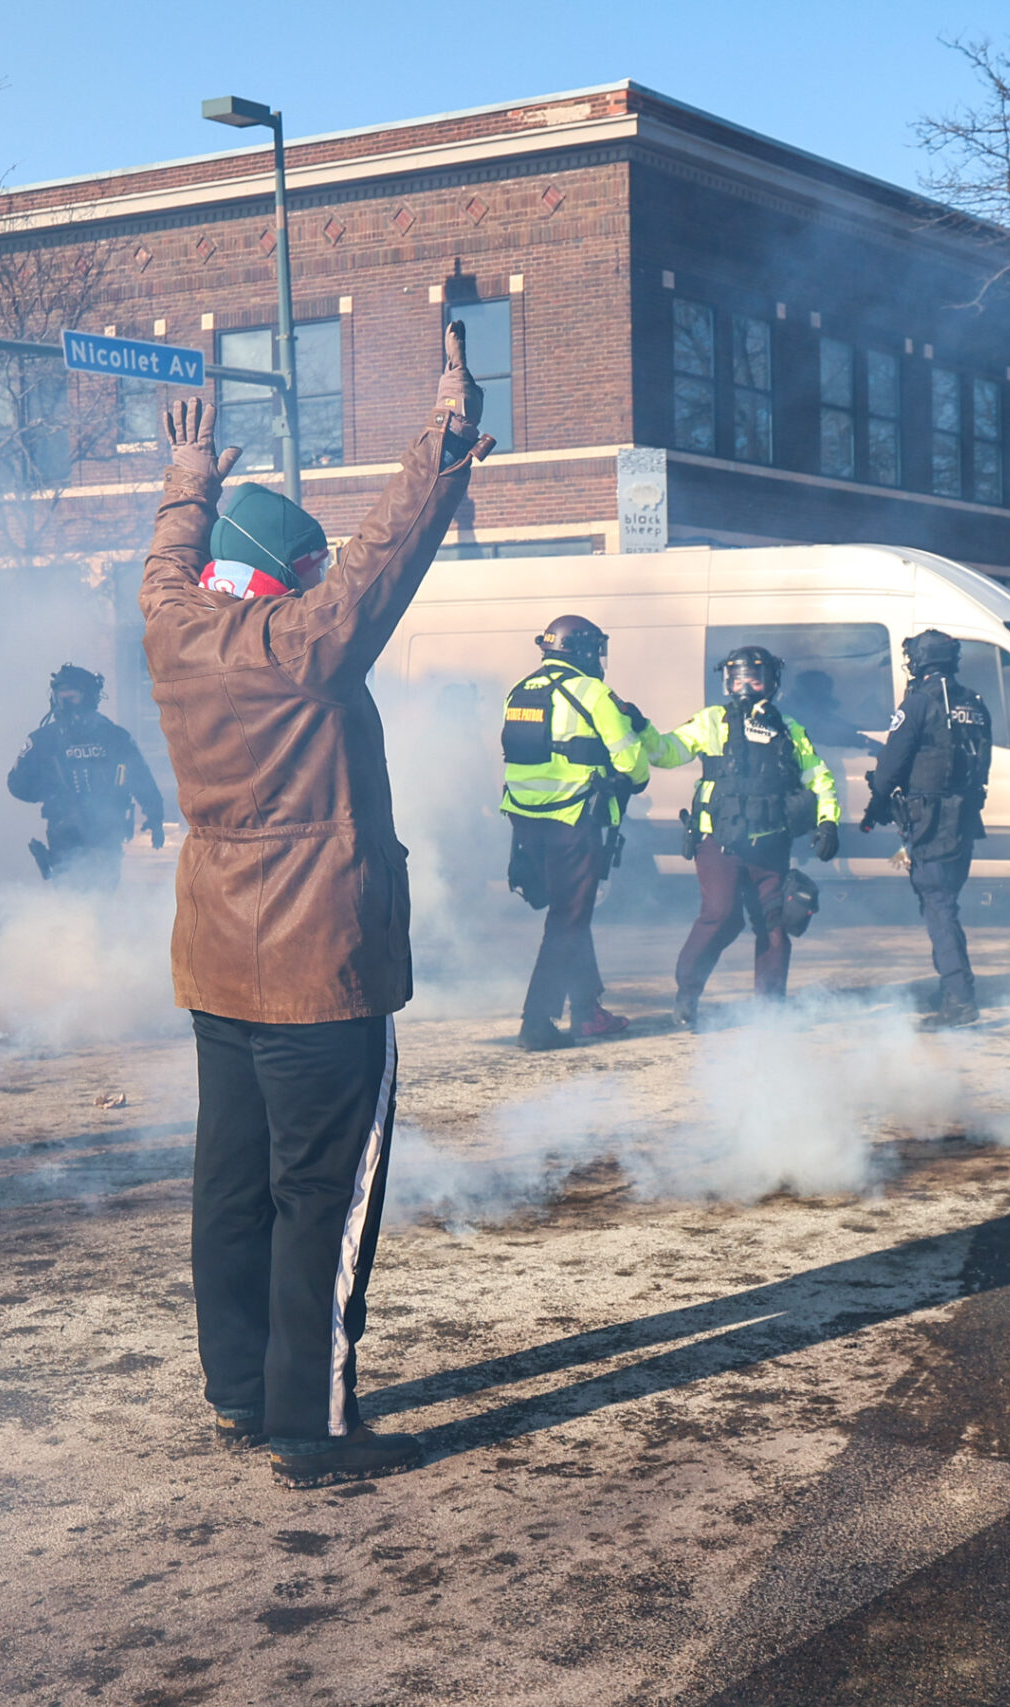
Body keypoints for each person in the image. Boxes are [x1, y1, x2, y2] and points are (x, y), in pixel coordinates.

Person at [143, 326, 491, 1487]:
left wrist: (187, 485)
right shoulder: (303, 645)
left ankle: (241, 1394)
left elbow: (167, 560)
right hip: (318, 973)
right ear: (292, 576)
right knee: (323, 1203)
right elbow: (385, 554)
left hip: (216, 966)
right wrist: (443, 438)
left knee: (231, 1190)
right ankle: (314, 1427)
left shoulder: (171, 629)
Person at [651, 645, 840, 1026]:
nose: (746, 687)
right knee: (720, 916)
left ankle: (769, 1011)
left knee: (774, 924)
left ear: (772, 684)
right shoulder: (711, 720)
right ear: (727, 683)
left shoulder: (788, 728)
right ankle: (687, 995)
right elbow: (666, 752)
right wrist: (639, 729)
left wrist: (828, 822)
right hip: (717, 842)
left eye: (755, 679)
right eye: (738, 680)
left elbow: (818, 778)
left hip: (770, 843)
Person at [500, 615, 654, 1051]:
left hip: (525, 820)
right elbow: (634, 767)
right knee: (568, 920)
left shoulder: (520, 690)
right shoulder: (593, 693)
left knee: (571, 912)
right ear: (583, 651)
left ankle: (587, 1011)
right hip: (573, 818)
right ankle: (537, 1022)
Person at [862, 629, 992, 1030]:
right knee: (946, 902)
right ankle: (952, 988)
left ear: (919, 661)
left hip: (930, 822)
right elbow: (982, 764)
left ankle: (960, 999)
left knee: (938, 906)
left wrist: (875, 806)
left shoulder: (918, 703)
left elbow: (891, 764)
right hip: (965, 819)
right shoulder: (975, 703)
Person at [6, 663, 165, 889]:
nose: (66, 702)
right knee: (71, 892)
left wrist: (155, 817)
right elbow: (17, 784)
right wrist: (50, 792)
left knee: (101, 891)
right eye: (62, 695)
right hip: (66, 831)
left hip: (107, 830)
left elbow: (140, 778)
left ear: (89, 695)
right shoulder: (43, 739)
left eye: (72, 695)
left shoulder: (114, 736)